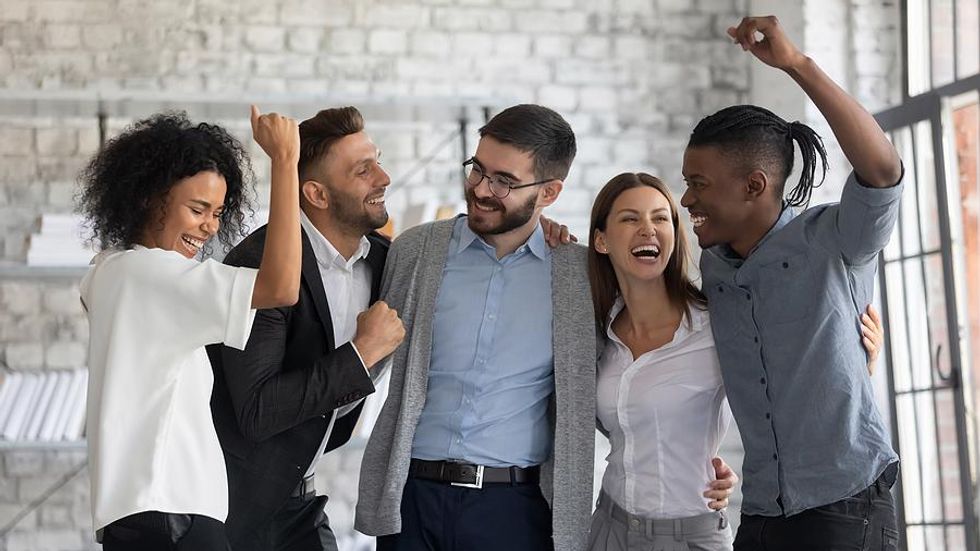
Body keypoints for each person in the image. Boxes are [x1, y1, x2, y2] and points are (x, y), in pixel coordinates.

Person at [355, 104, 736, 551]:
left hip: (515, 508)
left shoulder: (578, 277)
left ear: (550, 192)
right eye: (478, 170)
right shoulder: (416, 252)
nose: (481, 189)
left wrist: (698, 466)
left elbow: (624, 384)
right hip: (411, 499)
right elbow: (366, 364)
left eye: (505, 182)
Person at [680, 16, 903, 551]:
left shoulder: (834, 240)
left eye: (698, 185)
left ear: (754, 185)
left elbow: (882, 169)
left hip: (845, 504)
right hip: (761, 511)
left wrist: (798, 66)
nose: (686, 199)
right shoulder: (714, 266)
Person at [585, 173, 886, 551]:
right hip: (609, 527)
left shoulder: (715, 325)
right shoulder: (596, 332)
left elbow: (795, 381)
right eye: (630, 219)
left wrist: (859, 360)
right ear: (600, 239)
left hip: (692, 534)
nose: (648, 229)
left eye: (661, 218)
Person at [78, 107, 301, 549]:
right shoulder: (156, 275)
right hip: (174, 515)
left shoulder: (108, 272)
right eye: (198, 208)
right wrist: (285, 162)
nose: (210, 226)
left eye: (218, 212)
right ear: (149, 197)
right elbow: (281, 286)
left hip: (135, 518)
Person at [208, 106, 405, 551]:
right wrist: (361, 354)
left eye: (377, 159)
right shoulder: (258, 265)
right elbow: (257, 412)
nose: (384, 176)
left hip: (301, 498)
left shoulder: (386, 260)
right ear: (316, 193)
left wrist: (538, 230)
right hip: (234, 512)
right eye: (363, 170)